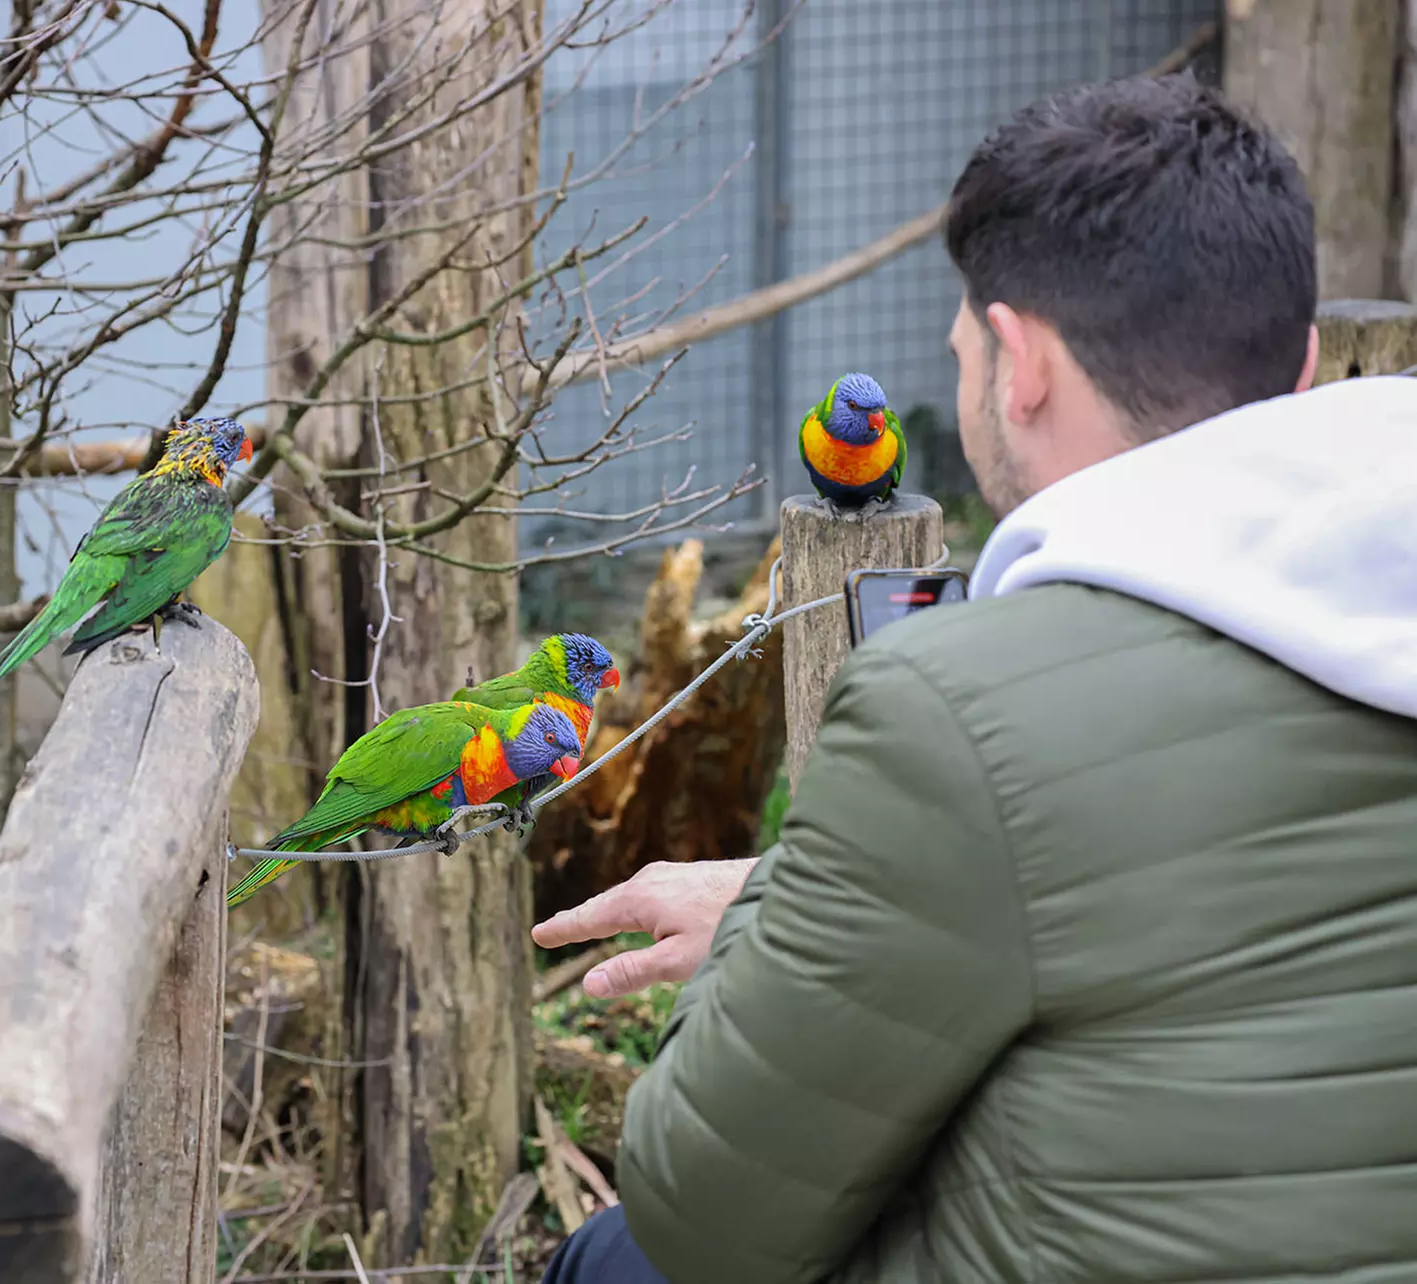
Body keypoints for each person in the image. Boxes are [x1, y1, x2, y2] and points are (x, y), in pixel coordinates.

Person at [536, 73, 1417, 1284]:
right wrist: (829, 884)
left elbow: (706, 1209)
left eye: (955, 348)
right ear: (1309, 361)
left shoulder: (955, 715)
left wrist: (767, 927)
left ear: (1016, 366)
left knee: (620, 1261)